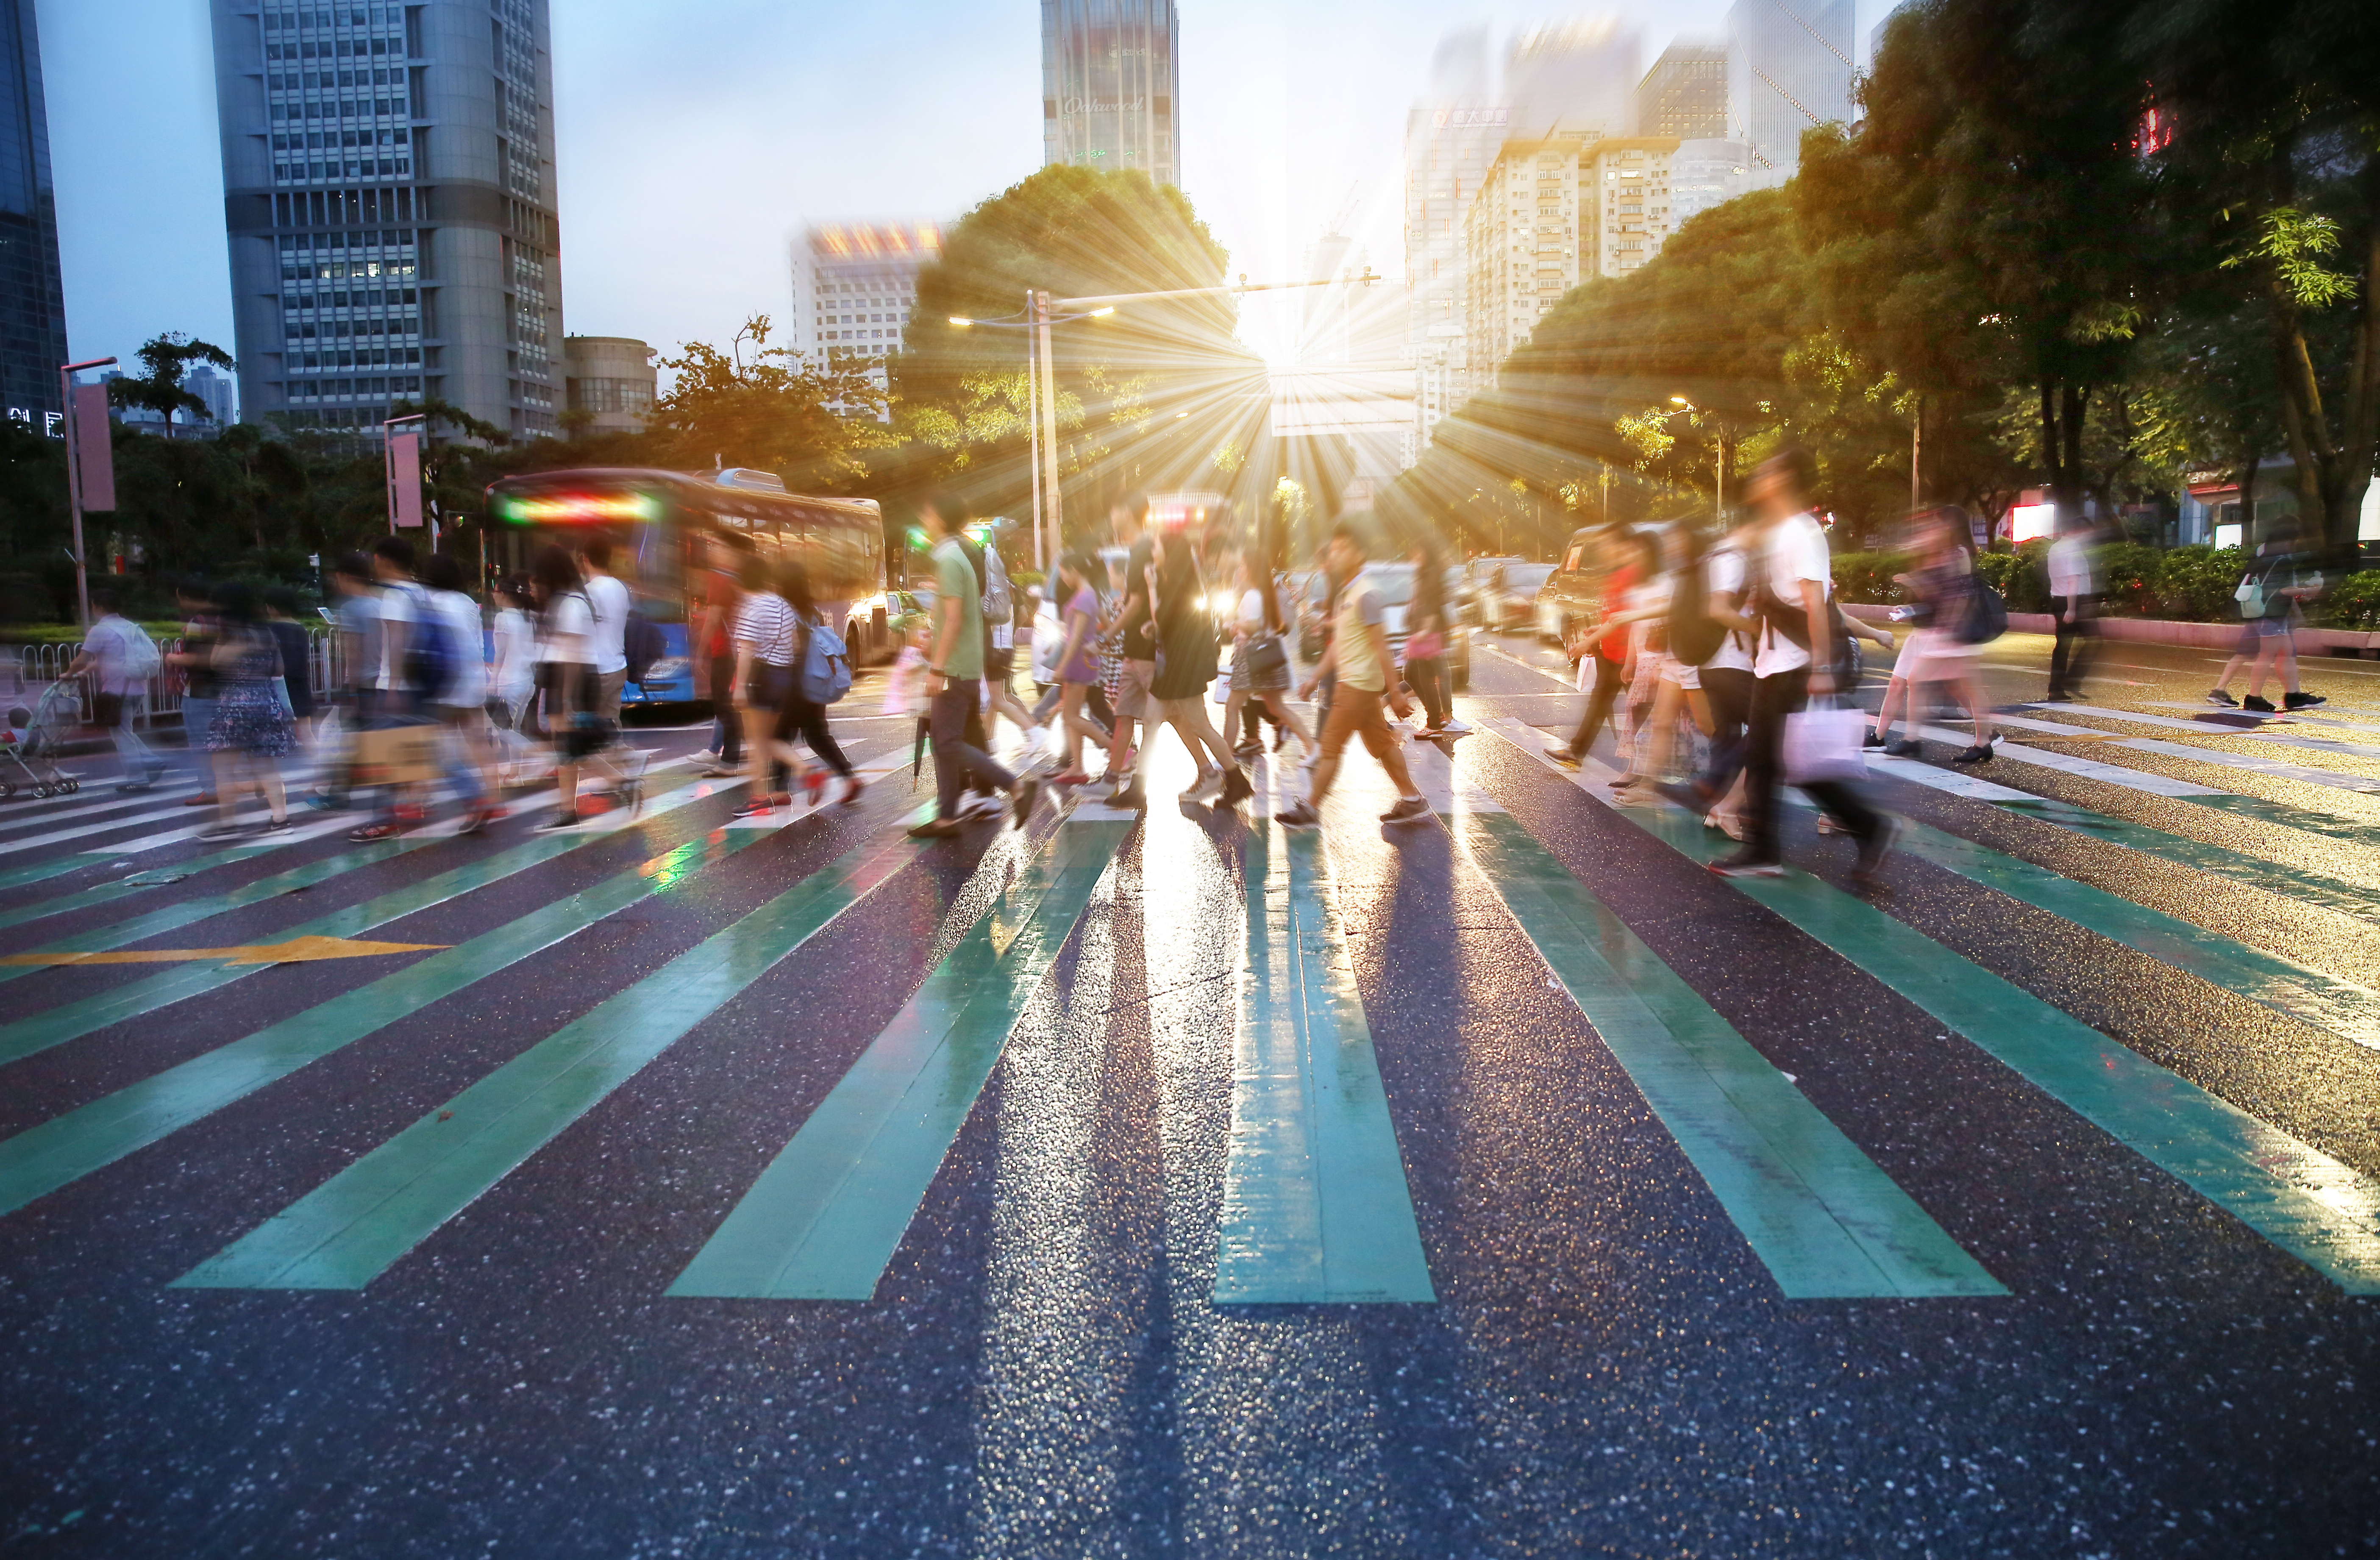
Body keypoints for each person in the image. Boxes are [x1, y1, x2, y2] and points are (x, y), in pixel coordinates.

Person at [1711, 447, 1893, 883]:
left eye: (1769, 471)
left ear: (1785, 480)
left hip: (1797, 662)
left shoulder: (1802, 532)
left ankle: (1765, 849)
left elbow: (1816, 602)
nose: (1759, 477)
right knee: (1782, 760)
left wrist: (1822, 667)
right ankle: (1864, 828)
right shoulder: (1776, 532)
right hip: (1775, 662)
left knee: (1771, 758)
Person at [1274, 520, 1431, 830]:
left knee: (1330, 746)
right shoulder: (1348, 593)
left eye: (1342, 549)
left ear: (1359, 553)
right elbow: (1337, 648)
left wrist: (1396, 692)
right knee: (1384, 746)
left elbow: (1381, 646)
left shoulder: (1366, 594)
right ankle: (1412, 799)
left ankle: (1311, 808)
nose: (1335, 554)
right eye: (1334, 549)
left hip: (1357, 687)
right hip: (1358, 686)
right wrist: (1314, 678)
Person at [909, 493, 1038, 838]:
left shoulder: (949, 559)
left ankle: (1015, 787)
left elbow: (953, 620)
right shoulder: (958, 554)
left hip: (953, 667)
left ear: (938, 516)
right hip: (964, 663)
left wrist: (937, 668)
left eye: (928, 511)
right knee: (948, 739)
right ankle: (947, 817)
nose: (925, 517)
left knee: (946, 742)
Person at [1871, 507, 1996, 765]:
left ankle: (1915, 740)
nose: (1934, 528)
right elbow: (1939, 595)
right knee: (1965, 687)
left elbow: (1963, 595)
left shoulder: (1959, 553)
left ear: (1950, 526)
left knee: (1938, 682)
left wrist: (1951, 628)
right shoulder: (1945, 553)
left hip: (1956, 633)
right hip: (1950, 631)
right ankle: (1981, 741)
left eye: (1938, 524)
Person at [1148, 524, 1250, 805]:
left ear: (1168, 552)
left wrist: (1151, 586)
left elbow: (1162, 621)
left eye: (1157, 546)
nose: (1153, 552)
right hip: (1179, 668)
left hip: (1181, 669)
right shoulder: (1181, 580)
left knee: (1200, 725)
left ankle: (1233, 778)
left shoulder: (1172, 584)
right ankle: (1214, 775)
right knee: (1175, 719)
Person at [196, 581, 295, 838]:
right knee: (266, 767)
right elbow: (279, 670)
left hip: (235, 704)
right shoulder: (267, 633)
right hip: (266, 701)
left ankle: (228, 823)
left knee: (223, 766)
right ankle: (281, 819)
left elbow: (216, 663)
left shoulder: (230, 631)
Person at [768, 559, 862, 807]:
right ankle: (849, 778)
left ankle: (783, 789)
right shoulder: (811, 611)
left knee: (777, 737)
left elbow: (792, 649)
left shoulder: (783, 611)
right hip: (817, 681)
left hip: (794, 684)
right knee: (817, 734)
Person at [422, 552, 500, 833]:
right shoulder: (467, 603)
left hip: (445, 682)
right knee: (478, 742)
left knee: (436, 744)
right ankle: (492, 794)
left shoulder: (430, 602)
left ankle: (432, 797)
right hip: (472, 678)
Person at [2209, 525, 2326, 712]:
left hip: (2264, 613)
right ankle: (2255, 697)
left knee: (2286, 653)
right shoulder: (2282, 562)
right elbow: (2282, 590)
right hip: (2272, 613)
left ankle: (2294, 695)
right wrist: (2308, 590)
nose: (2294, 545)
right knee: (2266, 656)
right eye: (2293, 541)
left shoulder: (2263, 559)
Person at [1223, 542, 1314, 766]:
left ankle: (1224, 758)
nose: (1240, 569)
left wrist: (1235, 625)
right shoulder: (1261, 593)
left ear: (1251, 568)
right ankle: (1313, 747)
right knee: (1275, 707)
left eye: (1243, 565)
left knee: (1233, 706)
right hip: (1263, 658)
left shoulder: (1253, 595)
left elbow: (1253, 627)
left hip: (1250, 658)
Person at [67, 585, 165, 791]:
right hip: (137, 687)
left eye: (93, 606)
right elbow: (110, 658)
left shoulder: (100, 630)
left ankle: (138, 778)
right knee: (124, 731)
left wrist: (68, 674)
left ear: (99, 608)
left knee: (121, 735)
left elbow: (82, 659)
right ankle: (151, 760)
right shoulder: (130, 626)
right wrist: (87, 671)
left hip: (117, 691)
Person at [529, 544, 600, 830]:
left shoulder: (572, 603)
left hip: (572, 678)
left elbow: (572, 653)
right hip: (565, 676)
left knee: (568, 748)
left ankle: (568, 809)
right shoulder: (567, 601)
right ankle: (622, 781)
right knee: (570, 748)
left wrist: (568, 698)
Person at [1550, 531, 1635, 766]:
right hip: (1611, 653)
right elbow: (1614, 616)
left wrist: (1587, 642)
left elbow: (1626, 620)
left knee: (1641, 713)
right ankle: (1576, 752)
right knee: (1598, 707)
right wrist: (1597, 631)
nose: (1604, 549)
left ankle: (1651, 767)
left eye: (1609, 544)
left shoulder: (1631, 576)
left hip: (1628, 656)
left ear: (1622, 545)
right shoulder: (1616, 575)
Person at [728, 554, 803, 819]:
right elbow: (794, 644)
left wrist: (740, 687)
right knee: (767, 739)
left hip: (761, 678)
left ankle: (759, 796)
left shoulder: (750, 606)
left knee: (755, 741)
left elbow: (746, 649)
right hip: (784, 676)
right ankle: (805, 773)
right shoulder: (782, 604)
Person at [1104, 494, 1159, 806]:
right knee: (1124, 714)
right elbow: (1134, 598)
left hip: (1146, 650)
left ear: (1126, 511)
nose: (1112, 514)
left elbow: (1140, 601)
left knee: (1180, 721)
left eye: (1115, 508)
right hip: (1133, 650)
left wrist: (1107, 635)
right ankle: (1113, 779)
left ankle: (1215, 771)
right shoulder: (1137, 549)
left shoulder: (1142, 549)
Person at [1048, 552, 1112, 786]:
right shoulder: (1087, 595)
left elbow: (1075, 639)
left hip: (1079, 663)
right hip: (1079, 661)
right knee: (1072, 716)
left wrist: (1062, 665)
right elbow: (1101, 624)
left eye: (1063, 571)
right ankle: (1077, 767)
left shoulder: (1085, 597)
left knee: (1071, 717)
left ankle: (1118, 750)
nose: (1062, 576)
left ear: (1074, 569)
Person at [1403, 536, 1467, 740]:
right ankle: (1439, 716)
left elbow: (1431, 605)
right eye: (1413, 552)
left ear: (1427, 553)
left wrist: (1424, 631)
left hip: (1427, 635)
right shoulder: (1423, 573)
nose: (1414, 556)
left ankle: (1435, 722)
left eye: (1418, 552)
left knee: (1426, 676)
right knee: (1411, 674)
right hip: (1422, 634)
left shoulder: (1430, 574)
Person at [170, 579, 222, 805]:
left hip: (201, 690)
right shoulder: (225, 618)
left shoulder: (197, 622)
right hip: (229, 688)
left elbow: (194, 658)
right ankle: (244, 784)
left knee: (201, 742)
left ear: (186, 597)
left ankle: (211, 789)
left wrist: (172, 658)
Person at [489, 573, 540, 780]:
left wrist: (493, 681)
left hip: (510, 682)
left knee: (501, 729)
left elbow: (500, 654)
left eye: (494, 592)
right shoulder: (528, 618)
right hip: (528, 682)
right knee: (514, 728)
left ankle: (543, 757)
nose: (492, 596)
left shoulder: (503, 618)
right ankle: (515, 772)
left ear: (502, 594)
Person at [2044, 516, 2099, 702]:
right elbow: (2073, 580)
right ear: (2078, 531)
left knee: (2063, 647)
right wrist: (2072, 609)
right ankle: (2071, 681)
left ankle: (2056, 689)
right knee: (2094, 641)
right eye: (2087, 533)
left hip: (2058, 600)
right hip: (2075, 602)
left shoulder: (2055, 547)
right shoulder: (2073, 548)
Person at [581, 537, 632, 726]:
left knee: (593, 725)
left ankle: (610, 753)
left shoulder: (589, 592)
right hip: (618, 665)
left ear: (584, 558)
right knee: (611, 720)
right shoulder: (621, 588)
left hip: (598, 669)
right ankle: (618, 752)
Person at [261, 587, 316, 742]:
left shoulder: (272, 629)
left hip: (280, 687)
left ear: (273, 608)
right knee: (307, 734)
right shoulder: (301, 628)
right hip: (301, 686)